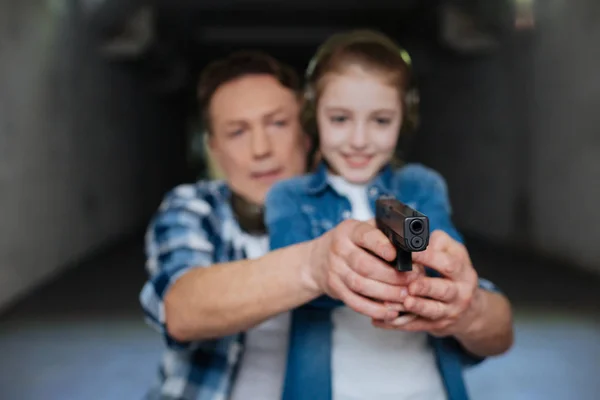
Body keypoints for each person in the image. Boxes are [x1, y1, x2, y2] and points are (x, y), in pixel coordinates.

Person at [264, 30, 514, 400]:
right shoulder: (290, 196)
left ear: (405, 118)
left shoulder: (419, 187)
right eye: (340, 119)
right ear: (312, 114)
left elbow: (444, 267)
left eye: (380, 121)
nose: (360, 140)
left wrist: (439, 273)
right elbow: (298, 287)